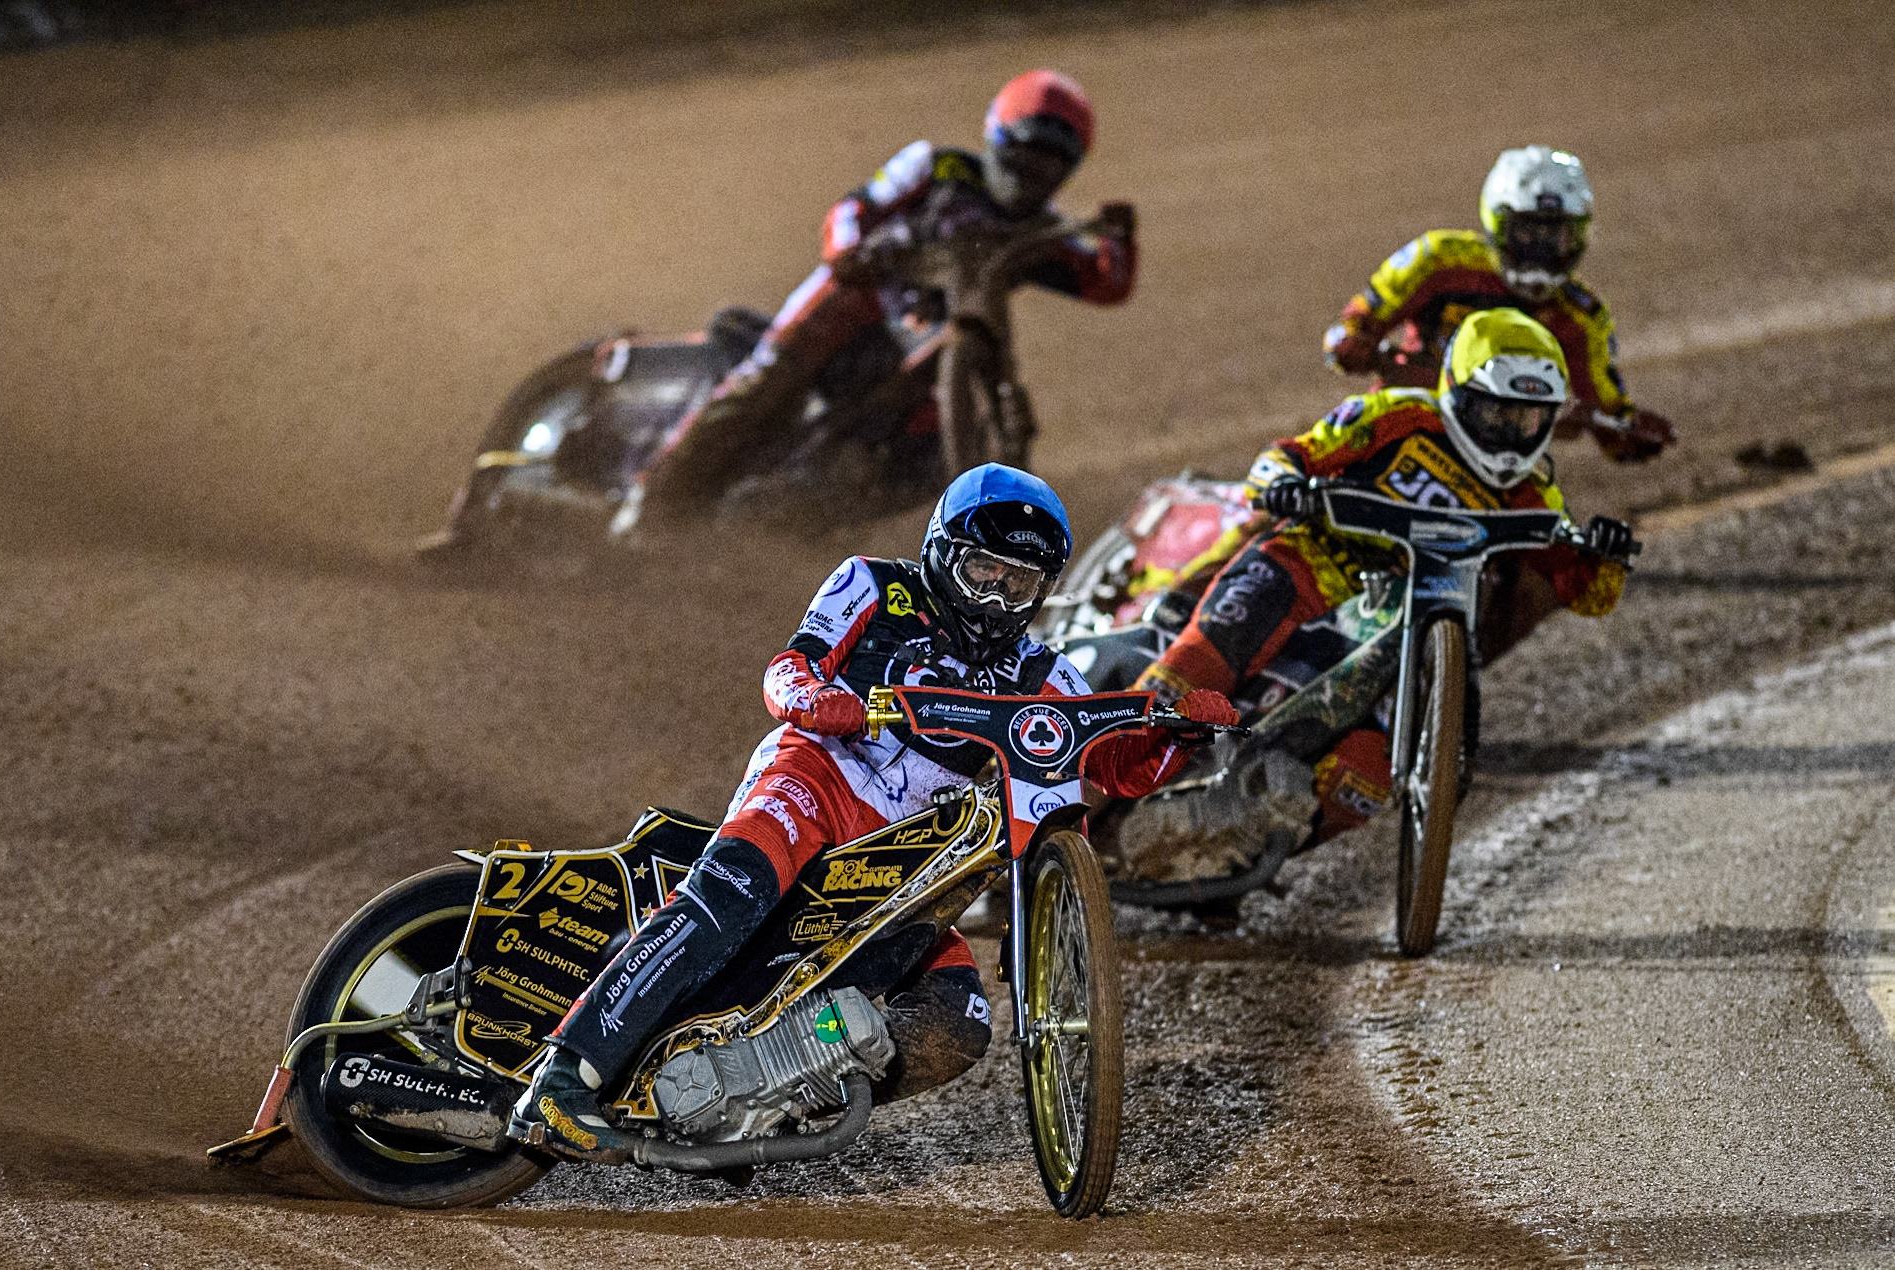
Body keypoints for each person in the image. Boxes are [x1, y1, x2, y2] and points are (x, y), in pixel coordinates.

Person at [512, 464, 1235, 1157]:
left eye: (1018, 585)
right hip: (816, 777)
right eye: (982, 570)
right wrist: (816, 702)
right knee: (728, 898)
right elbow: (790, 667)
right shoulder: (872, 583)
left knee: (959, 1022)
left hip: (910, 853)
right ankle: (562, 1076)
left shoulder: (1045, 671)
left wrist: (1181, 736)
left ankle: (758, 1097)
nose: (994, 598)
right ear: (941, 551)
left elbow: (1115, 763)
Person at [1134, 309, 1636, 846]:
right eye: (1498, 415)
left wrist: (1604, 558)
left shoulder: (1535, 492)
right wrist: (1283, 481)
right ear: (1460, 396)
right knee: (1200, 662)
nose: (1511, 437)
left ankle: (1238, 858)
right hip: (1307, 568)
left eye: (1529, 420)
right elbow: (1289, 455)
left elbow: (1587, 594)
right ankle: (1078, 797)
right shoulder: (1395, 416)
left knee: (1361, 780)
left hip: (1399, 628)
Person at [641, 69, 1137, 506]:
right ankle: (650, 493)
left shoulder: (1043, 231)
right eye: (1027, 148)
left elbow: (1105, 285)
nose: (1035, 169)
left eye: (1053, 159)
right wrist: (849, 251)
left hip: (930, 336)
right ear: (998, 135)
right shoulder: (935, 167)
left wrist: (1120, 239)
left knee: (916, 445)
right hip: (858, 300)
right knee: (765, 385)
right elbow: (852, 208)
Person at [1322, 145, 1675, 464]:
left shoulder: (1583, 319)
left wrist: (1631, 435)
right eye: (1527, 233)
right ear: (1496, 224)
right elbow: (1353, 324)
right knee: (1300, 481)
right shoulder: (1438, 261)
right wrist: (1349, 343)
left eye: (1555, 236)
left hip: (1493, 463)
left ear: (1579, 237)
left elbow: (1610, 415)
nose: (1540, 251)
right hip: (1398, 423)